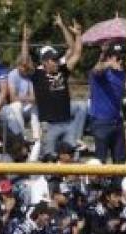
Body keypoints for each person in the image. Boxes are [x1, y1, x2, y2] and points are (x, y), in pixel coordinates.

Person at [26, 15, 84, 158]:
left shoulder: (62, 70)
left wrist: (78, 35)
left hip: (66, 122)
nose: (57, 62)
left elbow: (76, 53)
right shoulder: (38, 75)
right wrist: (25, 41)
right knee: (49, 158)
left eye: (57, 59)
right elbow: (25, 61)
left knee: (70, 157)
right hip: (49, 125)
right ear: (44, 61)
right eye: (53, 59)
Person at [89, 44, 126, 163]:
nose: (120, 61)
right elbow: (96, 70)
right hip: (101, 122)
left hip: (117, 122)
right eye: (117, 58)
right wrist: (107, 63)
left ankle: (118, 181)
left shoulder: (122, 74)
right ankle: (98, 182)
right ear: (109, 58)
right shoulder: (102, 74)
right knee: (100, 160)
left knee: (120, 159)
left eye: (122, 58)